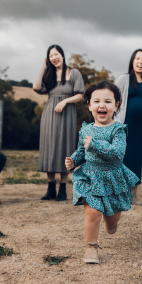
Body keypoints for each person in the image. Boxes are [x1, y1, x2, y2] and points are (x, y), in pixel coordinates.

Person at [65, 81, 139, 264]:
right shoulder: (86, 129)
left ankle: (111, 223)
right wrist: (74, 160)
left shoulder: (118, 130)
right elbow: (82, 151)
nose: (102, 105)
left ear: (116, 105)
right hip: (90, 176)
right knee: (93, 212)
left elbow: (117, 153)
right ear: (89, 105)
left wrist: (96, 144)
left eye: (107, 101)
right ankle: (91, 247)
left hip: (112, 176)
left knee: (113, 216)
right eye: (96, 101)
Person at [33, 45, 85, 201]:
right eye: (50, 56)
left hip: (67, 115)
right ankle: (50, 189)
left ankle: (63, 189)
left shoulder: (73, 72)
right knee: (49, 149)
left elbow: (80, 95)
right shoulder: (48, 74)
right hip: (49, 115)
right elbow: (36, 87)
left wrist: (65, 102)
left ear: (62, 55)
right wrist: (43, 67)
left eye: (56, 54)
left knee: (65, 149)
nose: (54, 57)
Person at [115, 49, 142, 206]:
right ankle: (120, 194)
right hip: (125, 126)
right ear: (132, 61)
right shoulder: (124, 79)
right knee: (123, 159)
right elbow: (115, 99)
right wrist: (117, 125)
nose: (140, 61)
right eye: (137, 58)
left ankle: (133, 195)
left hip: (141, 128)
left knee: (137, 160)